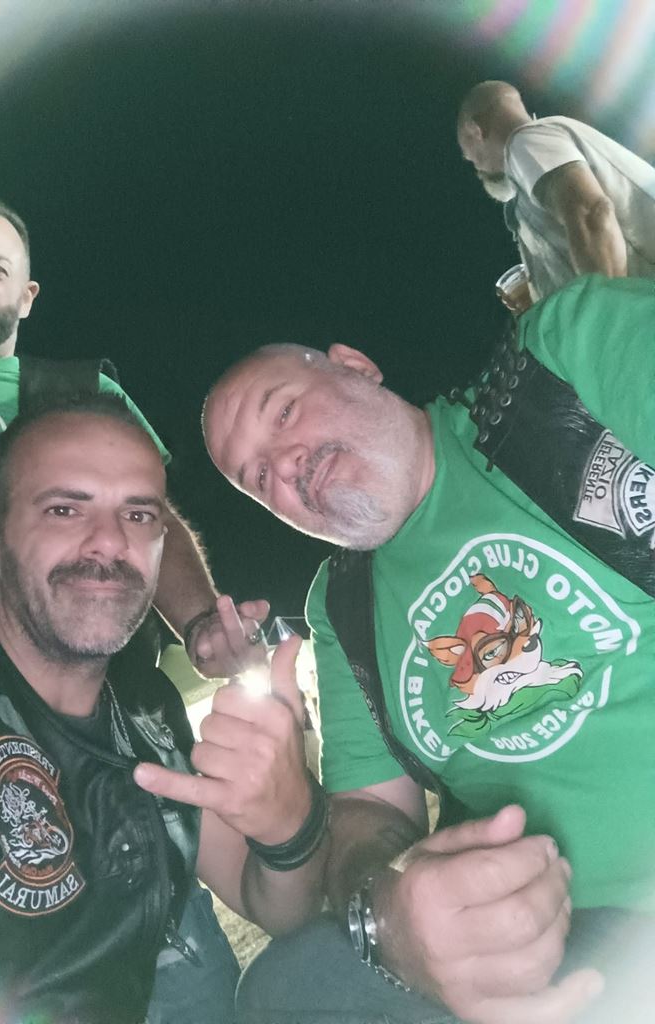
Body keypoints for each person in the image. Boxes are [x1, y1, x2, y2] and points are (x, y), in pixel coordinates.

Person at [202, 273, 655, 1024]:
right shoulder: (341, 607)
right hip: (566, 937)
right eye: (258, 480)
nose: (283, 466)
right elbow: (365, 816)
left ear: (355, 367)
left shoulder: (561, 364)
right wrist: (390, 918)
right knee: (290, 989)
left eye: (282, 412)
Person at [0, 393, 328, 1024]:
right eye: (64, 509)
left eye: (138, 514)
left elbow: (276, 904)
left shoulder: (148, 706)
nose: (109, 542)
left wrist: (289, 823)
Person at [0, 187, 264, 677]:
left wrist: (199, 624)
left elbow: (150, 519)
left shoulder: (82, 392)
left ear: (27, 297)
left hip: (46, 673)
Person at [457, 80, 655, 307]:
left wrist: (608, 313)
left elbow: (592, 215)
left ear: (475, 131)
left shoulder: (526, 141)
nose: (479, 170)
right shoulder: (541, 146)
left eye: (471, 159)